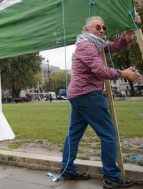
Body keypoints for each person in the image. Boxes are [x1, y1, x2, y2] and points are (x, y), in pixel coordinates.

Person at [60, 16, 141, 189]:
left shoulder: (94, 44)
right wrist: (123, 73)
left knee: (74, 134)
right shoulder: (87, 46)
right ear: (86, 29)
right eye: (98, 27)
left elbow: (113, 47)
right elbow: (100, 69)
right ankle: (111, 177)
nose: (102, 30)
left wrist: (128, 33)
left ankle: (67, 169)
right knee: (108, 134)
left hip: (80, 95)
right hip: (88, 95)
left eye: (104, 28)